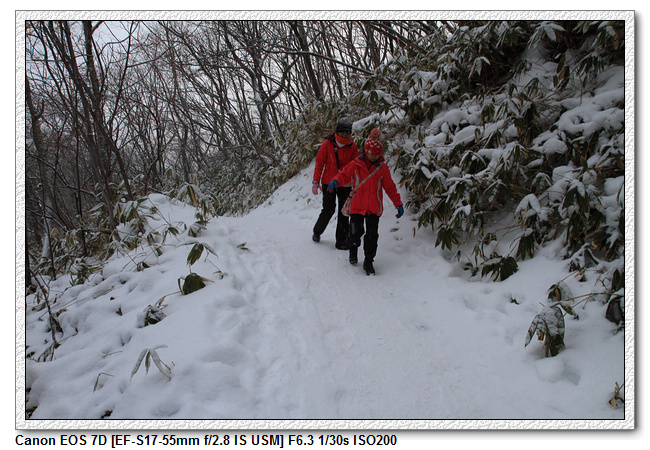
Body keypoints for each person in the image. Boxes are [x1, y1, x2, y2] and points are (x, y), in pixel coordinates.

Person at [327, 128, 404, 275]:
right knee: (355, 232)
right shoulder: (356, 164)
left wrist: (398, 203)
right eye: (371, 153)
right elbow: (344, 174)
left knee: (372, 236)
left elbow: (390, 188)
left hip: (374, 208)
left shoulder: (382, 168)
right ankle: (353, 250)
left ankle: (368, 261)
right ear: (366, 150)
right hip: (357, 206)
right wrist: (335, 181)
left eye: (377, 154)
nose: (374, 156)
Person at [311, 117, 359, 249]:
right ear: (337, 131)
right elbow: (319, 163)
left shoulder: (352, 146)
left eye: (347, 132)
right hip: (329, 182)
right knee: (328, 209)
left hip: (345, 183)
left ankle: (341, 242)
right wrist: (316, 181)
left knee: (344, 212)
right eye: (342, 132)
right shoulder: (327, 144)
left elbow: (356, 166)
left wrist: (356, 183)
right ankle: (317, 231)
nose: (344, 135)